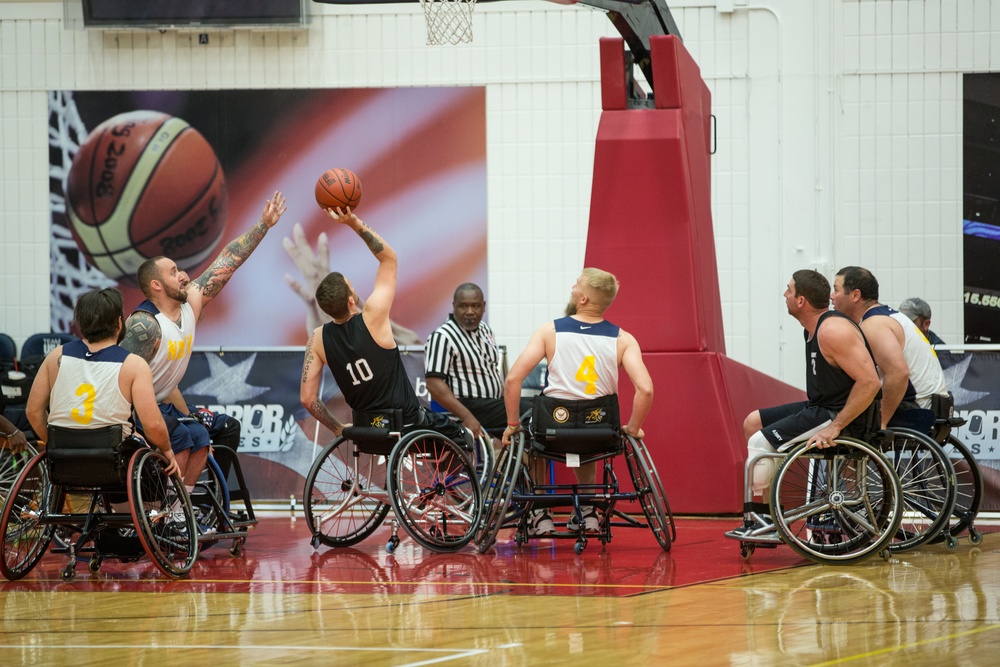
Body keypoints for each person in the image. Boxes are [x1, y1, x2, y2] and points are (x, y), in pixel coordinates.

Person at [122, 191, 287, 497]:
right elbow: (116, 377)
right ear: (156, 285)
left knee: (224, 427)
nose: (184, 276)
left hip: (163, 405)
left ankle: (202, 503)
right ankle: (169, 504)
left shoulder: (189, 305)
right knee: (191, 434)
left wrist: (264, 225)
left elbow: (227, 260)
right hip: (135, 413)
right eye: (174, 272)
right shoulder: (145, 325)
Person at [725, 270, 881, 539]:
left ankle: (764, 527)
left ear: (801, 301)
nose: (784, 294)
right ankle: (761, 518)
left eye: (789, 289)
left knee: (761, 444)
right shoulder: (813, 328)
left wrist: (836, 426)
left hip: (841, 416)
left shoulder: (832, 330)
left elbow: (870, 382)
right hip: (822, 407)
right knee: (753, 423)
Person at [501, 268, 654, 535]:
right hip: (599, 430)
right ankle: (587, 511)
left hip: (552, 428)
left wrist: (513, 424)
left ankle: (541, 514)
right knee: (586, 434)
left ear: (582, 299)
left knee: (529, 433)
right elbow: (646, 390)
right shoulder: (623, 339)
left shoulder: (550, 331)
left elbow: (513, 380)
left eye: (576, 285)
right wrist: (633, 427)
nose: (572, 287)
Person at [300, 207, 466, 445]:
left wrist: (338, 429)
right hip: (406, 424)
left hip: (365, 430)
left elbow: (308, 399)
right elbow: (389, 258)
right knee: (460, 434)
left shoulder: (317, 339)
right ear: (350, 299)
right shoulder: (372, 316)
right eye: (351, 285)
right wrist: (352, 221)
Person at [24, 288, 178, 477]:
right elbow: (153, 425)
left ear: (80, 323)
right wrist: (167, 451)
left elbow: (32, 411)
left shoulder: (56, 356)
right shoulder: (133, 364)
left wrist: (54, 443)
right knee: (152, 458)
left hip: (64, 456)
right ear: (119, 323)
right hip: (113, 459)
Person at [832, 267, 949, 430]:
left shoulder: (874, 325)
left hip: (919, 409)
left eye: (836, 290)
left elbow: (899, 373)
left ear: (855, 295)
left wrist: (882, 422)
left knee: (838, 415)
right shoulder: (889, 316)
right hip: (934, 404)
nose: (831, 296)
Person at [424, 283, 531, 439]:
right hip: (468, 406)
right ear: (454, 306)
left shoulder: (485, 330)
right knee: (529, 409)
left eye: (475, 306)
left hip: (492, 404)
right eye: (463, 306)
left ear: (484, 306)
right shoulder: (442, 336)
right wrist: (468, 417)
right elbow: (433, 383)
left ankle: (522, 460)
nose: (470, 312)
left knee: (537, 404)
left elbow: (491, 370)